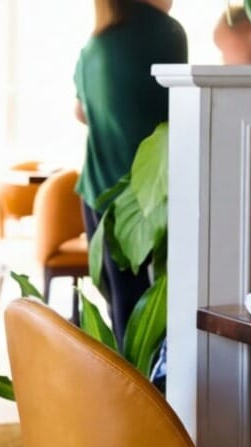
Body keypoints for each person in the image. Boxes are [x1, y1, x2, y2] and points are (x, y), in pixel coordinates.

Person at [74, 0, 187, 344]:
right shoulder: (167, 32)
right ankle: (148, 393)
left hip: (96, 190)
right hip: (145, 194)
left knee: (121, 305)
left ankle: (125, 391)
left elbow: (81, 112)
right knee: (147, 309)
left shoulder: (94, 44)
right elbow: (178, 106)